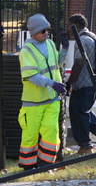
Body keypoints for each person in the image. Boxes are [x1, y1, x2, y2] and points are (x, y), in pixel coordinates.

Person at [17, 13, 68, 170]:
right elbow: (31, 76)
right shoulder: (27, 51)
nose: (46, 33)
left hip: (52, 99)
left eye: (47, 30)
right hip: (33, 102)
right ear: (33, 32)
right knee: (30, 135)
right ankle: (28, 167)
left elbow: (57, 64)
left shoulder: (50, 44)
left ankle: (46, 166)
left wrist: (65, 49)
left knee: (51, 133)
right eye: (42, 31)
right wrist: (52, 84)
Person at [65, 14, 96, 155]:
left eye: (69, 25)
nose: (68, 29)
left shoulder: (81, 40)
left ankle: (85, 147)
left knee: (77, 114)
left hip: (83, 84)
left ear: (76, 25)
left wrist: (69, 82)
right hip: (95, 83)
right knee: (83, 111)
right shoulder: (93, 36)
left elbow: (78, 64)